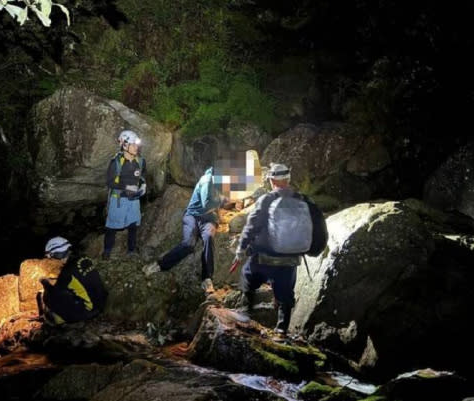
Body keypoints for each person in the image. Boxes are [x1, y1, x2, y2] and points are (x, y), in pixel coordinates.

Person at [232, 163, 324, 338]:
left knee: (247, 278)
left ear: (272, 180)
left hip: (264, 257)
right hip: (290, 259)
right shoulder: (304, 200)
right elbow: (319, 228)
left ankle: (246, 313)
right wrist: (313, 250)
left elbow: (251, 226)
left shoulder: (266, 200)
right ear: (288, 179)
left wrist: (241, 249)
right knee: (285, 295)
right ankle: (281, 330)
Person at [142, 166, 229, 294]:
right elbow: (206, 203)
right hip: (193, 215)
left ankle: (207, 279)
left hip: (209, 219)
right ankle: (159, 265)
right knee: (188, 244)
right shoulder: (206, 180)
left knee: (209, 238)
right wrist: (223, 200)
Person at [37, 236, 108, 325]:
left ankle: (57, 319)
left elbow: (56, 292)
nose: (52, 260)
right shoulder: (84, 258)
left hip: (88, 310)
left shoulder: (67, 272)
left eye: (51, 256)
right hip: (101, 304)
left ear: (57, 254)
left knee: (48, 297)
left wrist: (45, 282)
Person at [103, 130, 147, 259]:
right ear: (124, 145)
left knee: (133, 225)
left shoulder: (141, 161)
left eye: (136, 145)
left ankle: (131, 251)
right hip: (118, 200)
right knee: (112, 226)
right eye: (133, 145)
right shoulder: (116, 162)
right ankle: (107, 252)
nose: (136, 147)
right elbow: (110, 182)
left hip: (134, 200)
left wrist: (143, 185)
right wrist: (126, 187)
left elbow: (143, 175)